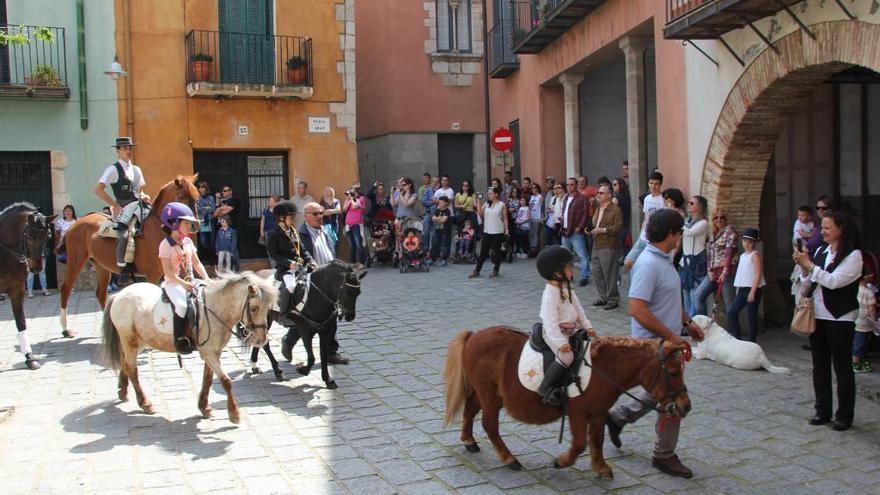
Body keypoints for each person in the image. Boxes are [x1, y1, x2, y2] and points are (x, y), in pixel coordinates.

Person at [606, 209, 705, 479]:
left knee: (659, 393)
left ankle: (618, 417)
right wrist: (671, 337)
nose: (680, 237)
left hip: (667, 342)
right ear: (670, 234)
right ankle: (664, 455)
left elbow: (668, 299)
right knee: (673, 397)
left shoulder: (664, 259)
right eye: (679, 232)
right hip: (655, 347)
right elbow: (637, 309)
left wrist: (686, 323)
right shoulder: (649, 263)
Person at [793, 211, 862, 431]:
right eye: (821, 227)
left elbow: (834, 281)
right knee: (819, 366)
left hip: (840, 317)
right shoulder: (822, 251)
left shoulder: (853, 256)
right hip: (818, 315)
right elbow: (808, 284)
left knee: (842, 368)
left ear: (841, 229)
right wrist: (805, 269)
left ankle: (844, 415)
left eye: (827, 227)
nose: (822, 231)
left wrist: (811, 267)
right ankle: (822, 410)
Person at [535, 246, 597, 407]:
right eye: (569, 268)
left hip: (570, 330)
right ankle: (546, 387)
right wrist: (561, 343)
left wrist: (587, 326)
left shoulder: (565, 288)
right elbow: (550, 323)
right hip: (553, 333)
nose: (572, 271)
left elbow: (578, 309)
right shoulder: (550, 295)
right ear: (557, 273)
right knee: (567, 357)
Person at [296, 201, 348, 365]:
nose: (319, 217)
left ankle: (331, 352)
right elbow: (300, 256)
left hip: (329, 280)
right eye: (315, 214)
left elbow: (331, 250)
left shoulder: (325, 230)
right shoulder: (301, 234)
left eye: (321, 213)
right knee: (308, 318)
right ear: (306, 216)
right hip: (314, 281)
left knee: (331, 317)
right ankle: (289, 341)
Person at [158, 202, 209, 355]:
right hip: (173, 283)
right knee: (182, 306)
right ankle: (179, 339)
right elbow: (167, 270)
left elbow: (197, 263)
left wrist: (207, 279)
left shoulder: (187, 242)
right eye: (186, 223)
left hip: (191, 282)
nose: (188, 226)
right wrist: (183, 284)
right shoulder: (165, 245)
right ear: (173, 223)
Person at [93, 136, 151, 270]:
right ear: (118, 151)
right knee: (125, 234)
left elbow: (140, 191)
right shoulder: (113, 169)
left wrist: (144, 196)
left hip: (138, 207)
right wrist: (114, 205)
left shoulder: (137, 170)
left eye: (130, 148)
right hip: (123, 208)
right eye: (125, 148)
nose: (128, 151)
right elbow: (98, 190)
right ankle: (122, 266)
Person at [267, 200, 313, 330]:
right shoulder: (273, 234)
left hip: (300, 267)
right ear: (282, 218)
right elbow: (274, 254)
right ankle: (283, 315)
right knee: (292, 286)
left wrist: (311, 261)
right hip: (285, 270)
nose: (293, 220)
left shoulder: (293, 230)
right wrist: (288, 264)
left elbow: (302, 249)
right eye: (291, 217)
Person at [692, 208, 737, 317]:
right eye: (716, 218)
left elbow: (728, 254)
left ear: (726, 219)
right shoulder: (713, 235)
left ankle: (733, 332)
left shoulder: (729, 233)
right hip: (713, 273)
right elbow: (710, 255)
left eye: (722, 217)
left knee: (729, 304)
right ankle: (703, 326)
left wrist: (725, 272)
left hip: (725, 273)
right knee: (698, 296)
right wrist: (709, 270)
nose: (719, 220)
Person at [727, 228, 765, 341]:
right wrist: (738, 287)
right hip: (742, 289)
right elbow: (741, 273)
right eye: (745, 241)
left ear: (754, 243)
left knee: (751, 316)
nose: (747, 244)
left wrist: (753, 292)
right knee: (732, 313)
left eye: (750, 241)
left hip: (753, 289)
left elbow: (758, 274)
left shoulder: (755, 255)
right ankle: (737, 338)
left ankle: (752, 341)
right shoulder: (743, 256)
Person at [589, 184, 623, 310]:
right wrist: (591, 229)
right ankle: (603, 296)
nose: (599, 194)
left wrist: (602, 230)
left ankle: (613, 299)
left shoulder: (615, 209)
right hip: (596, 243)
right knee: (597, 271)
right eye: (599, 192)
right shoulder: (599, 208)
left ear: (609, 195)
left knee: (609, 273)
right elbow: (594, 223)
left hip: (608, 244)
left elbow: (618, 227)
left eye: (602, 193)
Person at [624, 172, 664, 270]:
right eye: (651, 183)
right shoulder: (646, 198)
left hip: (655, 240)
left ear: (660, 184)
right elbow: (646, 218)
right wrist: (641, 233)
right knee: (629, 261)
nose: (653, 186)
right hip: (643, 237)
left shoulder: (663, 200)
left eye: (656, 184)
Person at [470, 186, 508, 279]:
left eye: (491, 193)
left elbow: (505, 218)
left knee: (496, 252)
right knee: (483, 252)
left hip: (498, 231)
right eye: (488, 193)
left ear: (496, 194)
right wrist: (478, 200)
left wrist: (506, 229)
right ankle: (477, 270)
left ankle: (496, 270)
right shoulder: (487, 204)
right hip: (487, 231)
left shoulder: (502, 204)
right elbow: (480, 212)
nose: (489, 195)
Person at [681, 196, 709, 317]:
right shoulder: (687, 221)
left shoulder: (703, 222)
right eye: (688, 203)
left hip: (696, 261)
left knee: (694, 295)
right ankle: (688, 324)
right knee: (685, 294)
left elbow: (690, 232)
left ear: (699, 207)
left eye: (692, 203)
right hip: (685, 261)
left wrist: (679, 221)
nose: (689, 205)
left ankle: (693, 322)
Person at [561, 177, 591, 286]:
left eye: (572, 184)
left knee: (583, 255)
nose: (569, 187)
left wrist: (580, 227)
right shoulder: (565, 198)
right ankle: (568, 275)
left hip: (575, 231)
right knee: (565, 256)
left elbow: (585, 214)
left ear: (576, 185)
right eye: (568, 185)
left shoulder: (582, 198)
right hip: (565, 230)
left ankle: (584, 276)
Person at [852, 271, 876, 373]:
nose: (872, 276)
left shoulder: (853, 289)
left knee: (857, 342)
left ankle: (860, 362)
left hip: (854, 319)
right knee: (860, 343)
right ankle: (856, 364)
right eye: (870, 275)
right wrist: (874, 321)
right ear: (865, 278)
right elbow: (872, 309)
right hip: (864, 323)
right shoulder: (869, 292)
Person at [342, 184, 367, 269]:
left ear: (357, 191)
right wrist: (348, 198)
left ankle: (362, 263)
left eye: (353, 191)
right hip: (348, 225)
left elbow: (355, 206)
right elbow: (344, 208)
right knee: (351, 245)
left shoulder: (361, 199)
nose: (352, 192)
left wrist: (352, 198)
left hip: (357, 225)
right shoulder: (351, 199)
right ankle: (353, 262)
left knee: (358, 244)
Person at [196, 181, 217, 262]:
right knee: (203, 242)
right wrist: (207, 208)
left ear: (206, 188)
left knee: (212, 240)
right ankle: (212, 253)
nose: (201, 189)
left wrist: (203, 209)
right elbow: (197, 209)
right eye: (200, 187)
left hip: (210, 220)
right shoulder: (197, 198)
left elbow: (213, 208)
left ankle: (213, 257)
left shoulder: (211, 197)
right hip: (202, 221)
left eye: (203, 187)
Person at [431, 196, 453, 266]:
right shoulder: (437, 210)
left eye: (441, 202)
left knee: (444, 244)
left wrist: (437, 218)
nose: (439, 204)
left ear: (446, 203)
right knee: (435, 243)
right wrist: (440, 218)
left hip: (445, 231)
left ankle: (444, 259)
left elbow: (444, 220)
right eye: (439, 202)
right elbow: (433, 218)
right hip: (438, 230)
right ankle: (433, 258)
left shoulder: (447, 211)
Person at [612, 177, 631, 251]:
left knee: (617, 249)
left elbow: (609, 210)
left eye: (615, 184)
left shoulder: (617, 197)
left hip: (618, 226)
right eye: (612, 184)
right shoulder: (626, 196)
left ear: (621, 185)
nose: (613, 186)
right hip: (624, 225)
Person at [545, 182, 566, 246]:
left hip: (562, 220)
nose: (556, 190)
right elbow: (553, 208)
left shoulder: (565, 196)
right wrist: (549, 210)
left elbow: (562, 208)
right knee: (555, 236)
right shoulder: (554, 198)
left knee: (561, 238)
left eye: (558, 188)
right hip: (554, 219)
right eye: (555, 188)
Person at [418, 173, 436, 247]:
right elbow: (423, 202)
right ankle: (425, 249)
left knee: (435, 232)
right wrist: (433, 202)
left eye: (426, 178)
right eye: (424, 178)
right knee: (425, 232)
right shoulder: (421, 189)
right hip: (425, 212)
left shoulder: (434, 188)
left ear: (430, 179)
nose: (425, 179)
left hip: (435, 213)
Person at [506, 187, 522, 257]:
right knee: (511, 235)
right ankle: (511, 249)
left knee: (517, 235)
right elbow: (506, 209)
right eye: (513, 192)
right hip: (510, 219)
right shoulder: (509, 200)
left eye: (515, 192)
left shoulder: (519, 201)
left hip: (518, 219)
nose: (514, 193)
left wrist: (515, 210)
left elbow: (522, 209)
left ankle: (518, 249)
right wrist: (509, 210)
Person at [528, 183, 543, 255]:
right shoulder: (531, 197)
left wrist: (542, 218)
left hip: (537, 217)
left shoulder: (540, 196)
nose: (533, 189)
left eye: (534, 187)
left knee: (535, 233)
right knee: (531, 233)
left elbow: (542, 207)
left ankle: (534, 248)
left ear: (537, 188)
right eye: (532, 188)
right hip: (531, 217)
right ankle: (532, 247)